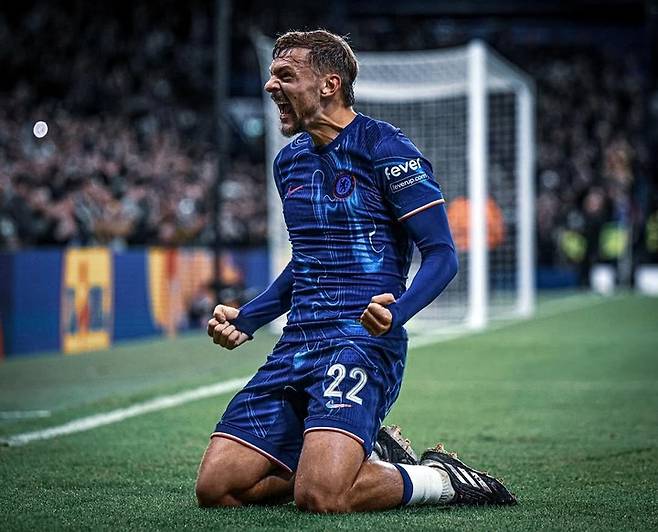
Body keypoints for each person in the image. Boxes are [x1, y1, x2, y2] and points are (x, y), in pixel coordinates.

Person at [196, 30, 515, 512]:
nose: (270, 85)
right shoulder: (289, 163)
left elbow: (442, 254)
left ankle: (441, 479)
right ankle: (358, 457)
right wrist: (251, 317)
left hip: (362, 341)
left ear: (330, 84)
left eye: (285, 75)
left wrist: (397, 313)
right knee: (217, 489)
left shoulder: (385, 147)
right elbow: (308, 261)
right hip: (300, 341)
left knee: (322, 496)